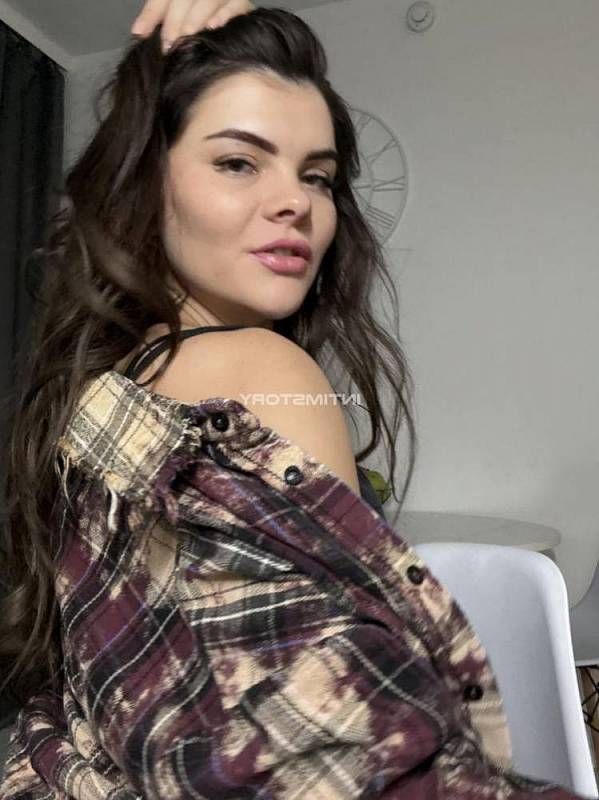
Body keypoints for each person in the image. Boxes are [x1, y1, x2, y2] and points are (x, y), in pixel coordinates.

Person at [0, 2, 589, 798]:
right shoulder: (261, 370)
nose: (296, 203)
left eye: (317, 175)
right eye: (238, 162)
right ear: (143, 184)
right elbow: (336, 761)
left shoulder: (105, 389)